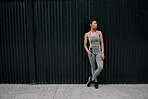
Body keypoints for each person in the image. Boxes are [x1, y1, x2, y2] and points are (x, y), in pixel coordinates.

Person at [84, 19, 105, 89]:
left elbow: (102, 42)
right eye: (94, 23)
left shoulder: (99, 33)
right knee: (93, 67)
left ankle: (91, 79)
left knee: (100, 67)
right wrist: (88, 52)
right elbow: (84, 44)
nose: (96, 25)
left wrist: (102, 52)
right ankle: (95, 81)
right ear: (91, 25)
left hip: (98, 52)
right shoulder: (87, 34)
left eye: (96, 23)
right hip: (91, 52)